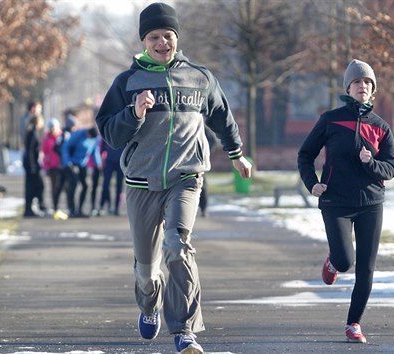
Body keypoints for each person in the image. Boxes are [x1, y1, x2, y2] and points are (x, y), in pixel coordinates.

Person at [95, 3, 252, 353]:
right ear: (144, 41)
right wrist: (133, 114)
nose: (162, 42)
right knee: (147, 270)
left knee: (178, 248)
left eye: (168, 35)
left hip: (186, 176)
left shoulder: (200, 77)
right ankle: (149, 304)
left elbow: (222, 117)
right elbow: (109, 133)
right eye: (154, 37)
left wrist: (237, 154)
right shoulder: (127, 82)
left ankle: (184, 331)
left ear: (177, 38)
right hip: (141, 183)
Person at [297, 59, 394, 344]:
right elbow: (305, 154)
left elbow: (391, 167)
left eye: (367, 82)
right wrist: (312, 183)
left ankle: (354, 323)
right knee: (345, 260)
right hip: (335, 201)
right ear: (348, 88)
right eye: (357, 82)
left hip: (370, 203)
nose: (362, 86)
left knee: (366, 267)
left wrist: (371, 164)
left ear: (373, 89)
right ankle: (333, 263)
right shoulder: (330, 119)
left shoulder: (381, 127)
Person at [61, 126, 101, 218]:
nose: (90, 139)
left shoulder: (95, 139)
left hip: (83, 164)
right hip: (72, 163)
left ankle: (79, 209)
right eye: (89, 137)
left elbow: (94, 151)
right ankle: (71, 209)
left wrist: (98, 163)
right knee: (73, 185)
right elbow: (66, 147)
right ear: (88, 133)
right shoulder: (78, 134)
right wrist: (68, 162)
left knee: (85, 186)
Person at [22, 113, 46, 218]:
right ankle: (30, 208)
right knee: (34, 186)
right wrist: (32, 166)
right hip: (32, 165)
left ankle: (33, 207)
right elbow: (30, 151)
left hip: (33, 164)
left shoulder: (33, 132)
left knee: (36, 186)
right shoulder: (32, 133)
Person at [41, 118, 63, 213]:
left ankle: (68, 206)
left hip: (62, 166)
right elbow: (45, 153)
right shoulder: (46, 139)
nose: (53, 130)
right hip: (52, 167)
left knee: (64, 187)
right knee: (54, 187)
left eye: (54, 128)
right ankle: (55, 207)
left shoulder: (62, 137)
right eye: (51, 128)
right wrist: (46, 165)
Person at [98, 140, 124, 216]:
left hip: (120, 162)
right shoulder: (109, 129)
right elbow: (102, 148)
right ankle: (102, 206)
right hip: (109, 161)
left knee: (119, 186)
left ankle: (116, 208)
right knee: (105, 184)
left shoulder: (125, 130)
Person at [198, 127, 220, 217]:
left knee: (201, 183)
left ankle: (203, 207)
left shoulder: (202, 126)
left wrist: (204, 153)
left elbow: (213, 141)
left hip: (198, 160)